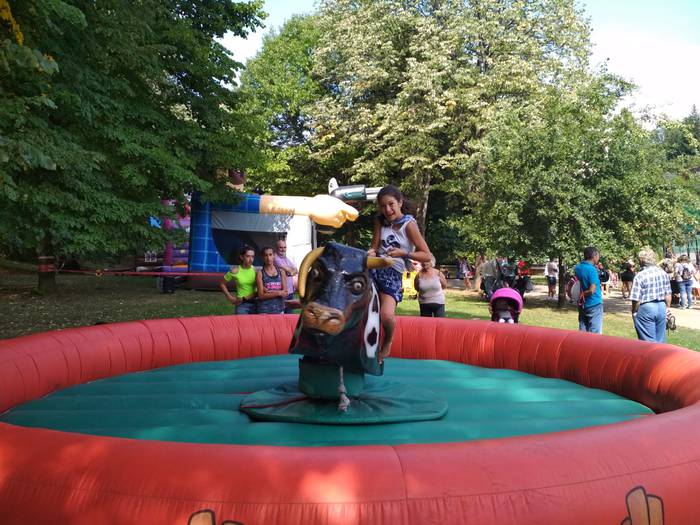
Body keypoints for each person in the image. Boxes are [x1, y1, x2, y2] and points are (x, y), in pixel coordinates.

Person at [368, 185, 432, 362]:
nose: (387, 209)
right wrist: (371, 252)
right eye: (383, 206)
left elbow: (427, 255)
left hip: (392, 274)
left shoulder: (408, 224)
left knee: (386, 315)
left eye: (391, 204)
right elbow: (374, 246)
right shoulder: (380, 221)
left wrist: (404, 253)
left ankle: (388, 341)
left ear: (400, 203)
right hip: (375, 268)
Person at [630, 247, 672, 342]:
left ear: (642, 260)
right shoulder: (663, 273)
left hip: (646, 307)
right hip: (661, 306)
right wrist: (667, 308)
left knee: (648, 343)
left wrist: (634, 312)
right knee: (660, 340)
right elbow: (668, 294)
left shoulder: (640, 276)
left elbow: (636, 299)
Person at [219, 245, 257, 314]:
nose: (251, 259)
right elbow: (222, 283)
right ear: (241, 257)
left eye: (252, 256)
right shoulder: (235, 271)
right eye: (248, 256)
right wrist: (230, 297)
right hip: (241, 305)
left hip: (256, 303)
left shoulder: (256, 270)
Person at [574, 246, 603, 334]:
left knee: (583, 331)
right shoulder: (592, 270)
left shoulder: (577, 267)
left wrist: (580, 296)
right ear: (594, 256)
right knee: (595, 333)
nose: (598, 257)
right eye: (598, 255)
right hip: (594, 304)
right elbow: (591, 290)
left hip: (582, 304)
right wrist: (583, 294)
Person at [256, 246, 288, 314]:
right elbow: (261, 296)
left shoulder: (281, 272)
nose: (268, 258)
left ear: (274, 256)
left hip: (279, 310)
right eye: (266, 255)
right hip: (264, 311)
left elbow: (285, 293)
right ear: (262, 257)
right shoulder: (260, 273)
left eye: (270, 255)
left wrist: (271, 292)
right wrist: (278, 293)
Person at [274, 239, 298, 313]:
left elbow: (296, 270)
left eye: (284, 247)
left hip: (290, 291)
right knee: (280, 314)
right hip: (281, 291)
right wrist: (290, 271)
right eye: (281, 247)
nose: (283, 249)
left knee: (289, 315)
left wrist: (290, 272)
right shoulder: (275, 259)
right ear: (276, 248)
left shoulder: (286, 258)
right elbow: (290, 270)